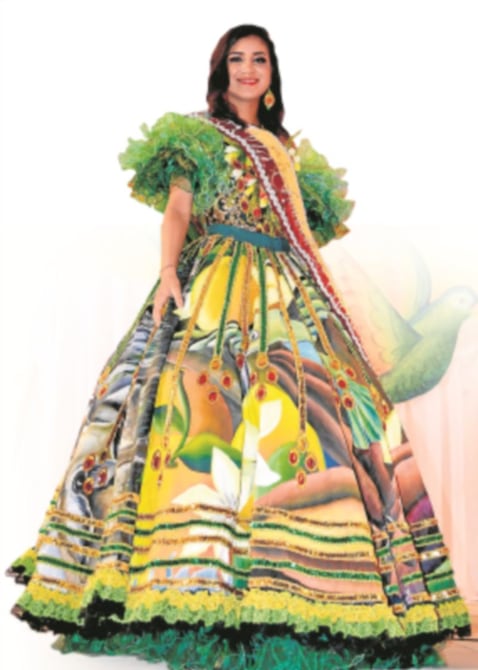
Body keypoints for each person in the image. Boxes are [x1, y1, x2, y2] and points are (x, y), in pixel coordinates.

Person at [8, 24, 470, 669]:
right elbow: (178, 210)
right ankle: (198, 579)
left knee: (304, 432)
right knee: (201, 426)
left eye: (259, 60)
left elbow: (303, 235)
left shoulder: (288, 153)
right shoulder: (199, 138)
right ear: (220, 69)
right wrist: (168, 273)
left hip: (287, 296)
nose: (248, 69)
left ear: (272, 74)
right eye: (237, 59)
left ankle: (300, 584)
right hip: (216, 290)